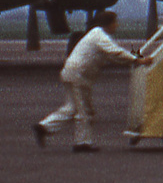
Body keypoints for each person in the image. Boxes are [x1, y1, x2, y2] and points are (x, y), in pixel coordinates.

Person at [35, 10, 146, 153]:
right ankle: (82, 143)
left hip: (71, 73)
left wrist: (134, 61)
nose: (117, 26)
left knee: (72, 108)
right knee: (85, 111)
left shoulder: (95, 35)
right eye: (115, 22)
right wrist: (138, 59)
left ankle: (44, 127)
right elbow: (115, 52)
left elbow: (114, 56)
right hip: (79, 75)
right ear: (109, 23)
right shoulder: (99, 35)